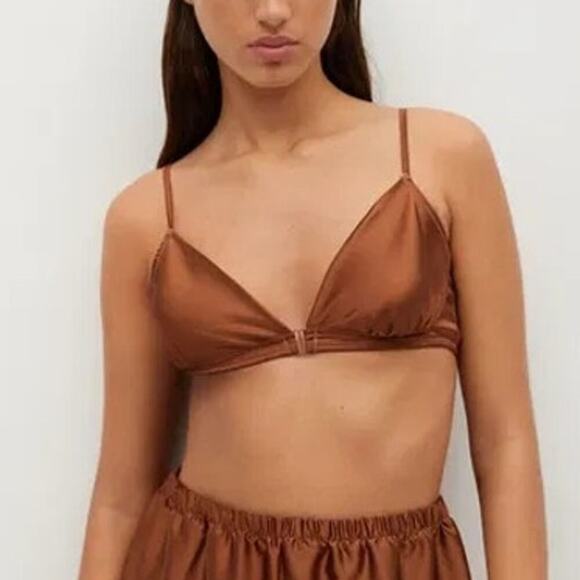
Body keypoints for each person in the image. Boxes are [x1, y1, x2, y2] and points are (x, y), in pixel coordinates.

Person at [78, 1, 547, 579]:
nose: (274, 11)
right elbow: (121, 498)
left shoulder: (442, 157)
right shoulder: (146, 217)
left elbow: (505, 442)